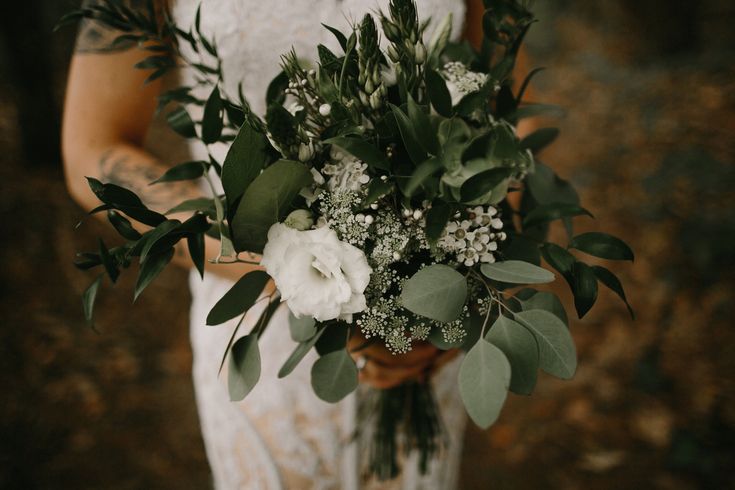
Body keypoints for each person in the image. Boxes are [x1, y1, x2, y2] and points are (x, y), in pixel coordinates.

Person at [62, 1, 530, 487]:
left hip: (420, 331)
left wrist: (464, 287)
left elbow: (506, 101)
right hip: (260, 324)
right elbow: (93, 146)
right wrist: (291, 264)